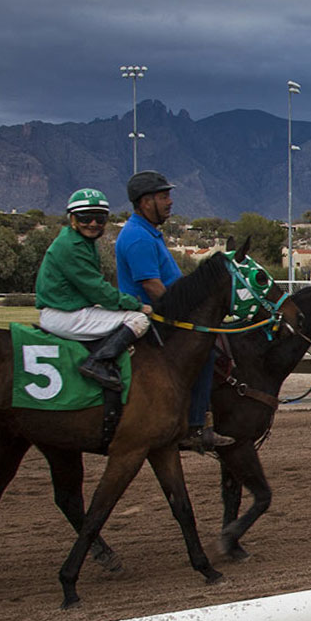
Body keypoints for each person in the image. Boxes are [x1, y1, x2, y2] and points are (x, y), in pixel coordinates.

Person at [114, 170, 234, 451]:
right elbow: (153, 287)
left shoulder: (148, 233)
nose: (170, 202)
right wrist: (188, 316)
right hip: (151, 318)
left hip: (157, 314)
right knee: (206, 353)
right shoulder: (138, 238)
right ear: (145, 202)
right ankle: (194, 426)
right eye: (164, 196)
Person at [34, 188, 151, 391]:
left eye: (99, 218)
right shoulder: (71, 246)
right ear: (72, 219)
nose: (93, 224)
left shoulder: (80, 241)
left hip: (66, 310)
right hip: (64, 315)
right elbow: (97, 290)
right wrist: (138, 306)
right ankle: (98, 363)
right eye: (85, 218)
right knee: (137, 320)